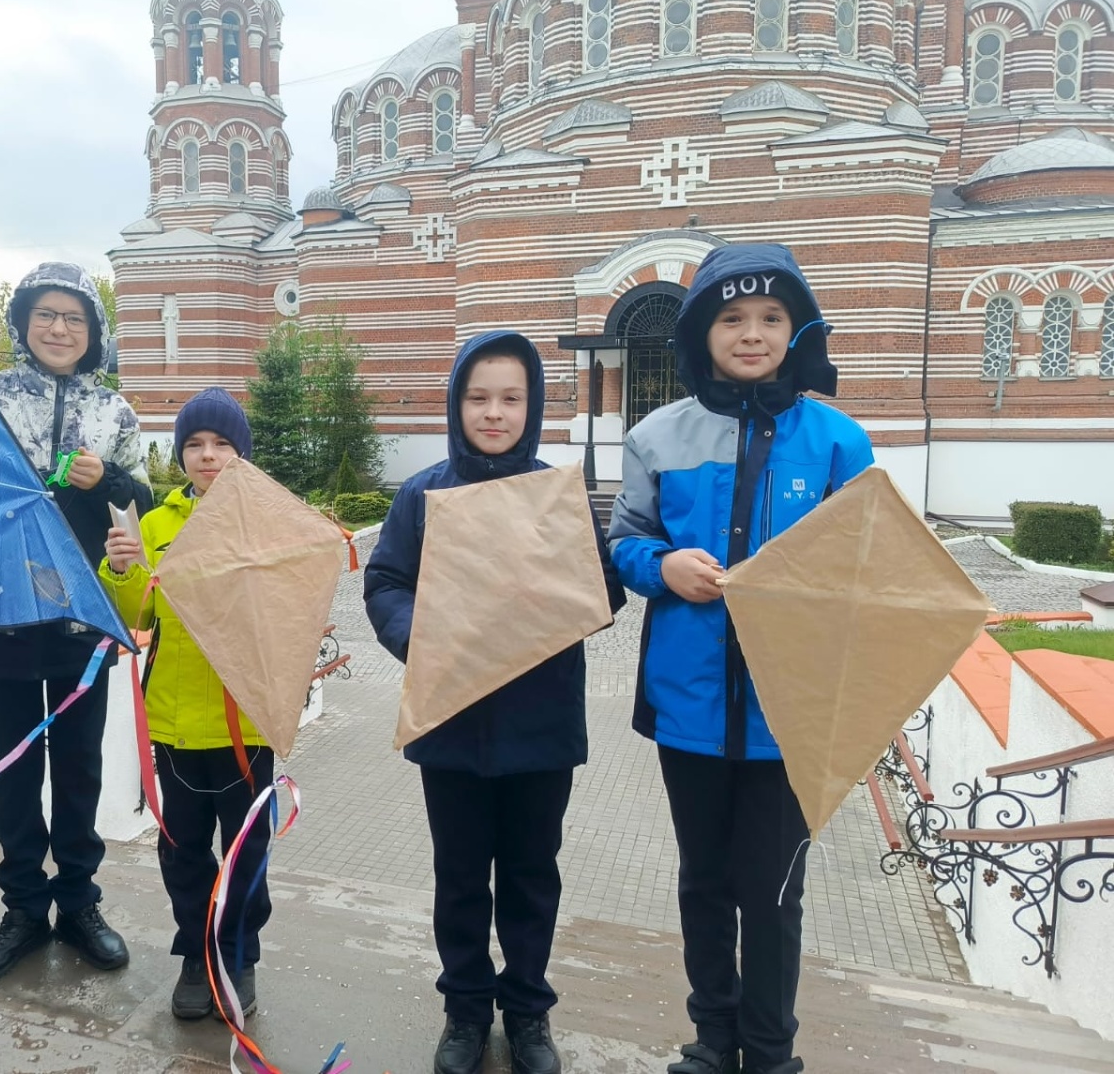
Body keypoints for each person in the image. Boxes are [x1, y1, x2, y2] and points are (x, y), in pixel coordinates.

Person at [606, 244, 874, 1074]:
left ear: (798, 329)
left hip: (787, 716)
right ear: (701, 332)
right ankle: (712, 1038)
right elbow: (624, 540)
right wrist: (664, 567)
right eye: (731, 318)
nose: (751, 333)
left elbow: (869, 565)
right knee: (703, 883)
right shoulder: (657, 435)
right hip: (688, 706)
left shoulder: (837, 442)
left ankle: (769, 1052)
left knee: (771, 893)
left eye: (770, 318)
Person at [364, 331, 626, 1074]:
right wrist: (422, 632)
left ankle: (528, 1011)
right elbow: (384, 582)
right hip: (451, 722)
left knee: (532, 873)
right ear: (457, 403)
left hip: (539, 725)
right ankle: (466, 1010)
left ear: (532, 405)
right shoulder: (423, 494)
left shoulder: (558, 493)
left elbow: (605, 592)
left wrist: (557, 588)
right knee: (459, 877)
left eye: (511, 398)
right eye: (478, 397)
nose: (494, 412)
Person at [0, 261, 153, 988]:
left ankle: (79, 903)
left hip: (79, 619)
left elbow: (141, 497)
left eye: (74, 318)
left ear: (93, 332)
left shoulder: (116, 413)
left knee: (78, 769)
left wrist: (103, 480)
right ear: (22, 323)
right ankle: (22, 909)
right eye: (45, 314)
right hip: (0, 615)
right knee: (15, 771)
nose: (58, 328)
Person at [100, 387, 271, 1022]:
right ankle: (197, 956)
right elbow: (134, 617)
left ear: (242, 454)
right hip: (173, 722)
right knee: (184, 850)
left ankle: (239, 954)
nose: (207, 456)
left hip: (247, 724)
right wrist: (122, 570)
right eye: (195, 445)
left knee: (246, 851)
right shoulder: (154, 524)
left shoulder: (265, 519)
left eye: (222, 445)